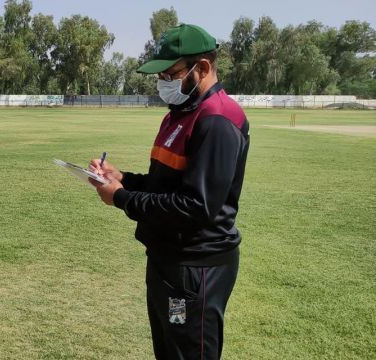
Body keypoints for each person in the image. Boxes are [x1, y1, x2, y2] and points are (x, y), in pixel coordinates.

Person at [88, 24, 250, 360]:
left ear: (202, 68)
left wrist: (120, 197)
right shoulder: (179, 115)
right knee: (170, 348)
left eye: (169, 73)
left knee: (187, 351)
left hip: (195, 270)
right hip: (167, 263)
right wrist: (123, 179)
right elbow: (165, 184)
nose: (163, 82)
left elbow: (196, 207)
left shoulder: (217, 119)